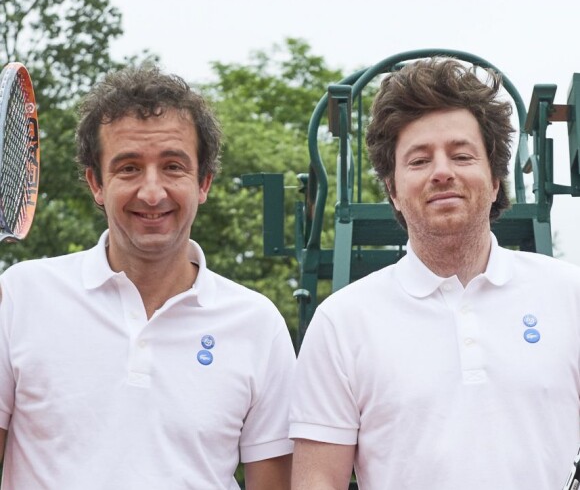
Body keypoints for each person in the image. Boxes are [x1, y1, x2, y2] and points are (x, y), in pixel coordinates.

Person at [289, 58, 580, 489]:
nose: (442, 172)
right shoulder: (342, 322)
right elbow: (317, 482)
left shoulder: (570, 295)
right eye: (419, 160)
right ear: (393, 190)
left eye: (461, 155)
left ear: (496, 180)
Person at [0, 66, 295, 489]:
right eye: (129, 169)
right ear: (96, 184)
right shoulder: (19, 296)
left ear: (204, 182)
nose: (152, 193)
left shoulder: (257, 323)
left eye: (173, 167)